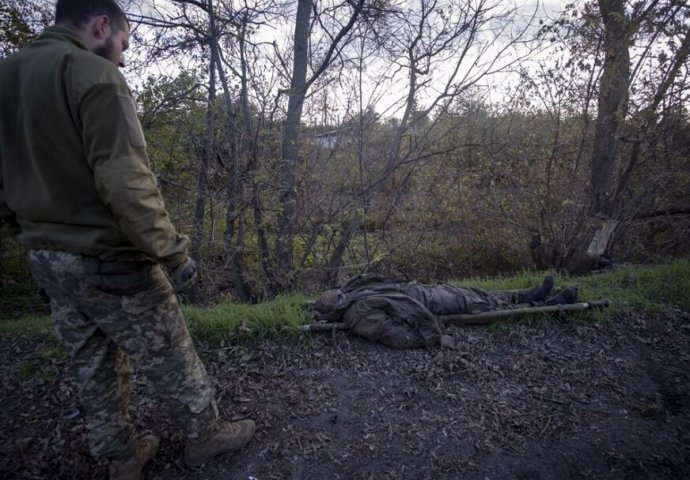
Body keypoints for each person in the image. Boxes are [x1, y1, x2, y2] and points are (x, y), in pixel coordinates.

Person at [0, 1, 254, 478]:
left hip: (46, 257)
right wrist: (171, 250)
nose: (123, 57)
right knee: (170, 351)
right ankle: (205, 436)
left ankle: (120, 460)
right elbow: (124, 180)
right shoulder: (92, 75)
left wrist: (27, 235)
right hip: (108, 257)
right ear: (101, 25)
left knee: (91, 361)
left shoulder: (6, 75)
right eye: (123, 42)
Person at [312, 273, 578, 349]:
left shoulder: (352, 292)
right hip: (431, 304)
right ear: (335, 309)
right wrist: (435, 337)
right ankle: (547, 306)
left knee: (477, 294)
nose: (338, 293)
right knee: (479, 304)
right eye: (334, 298)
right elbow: (393, 334)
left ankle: (529, 295)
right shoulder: (358, 314)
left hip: (426, 291)